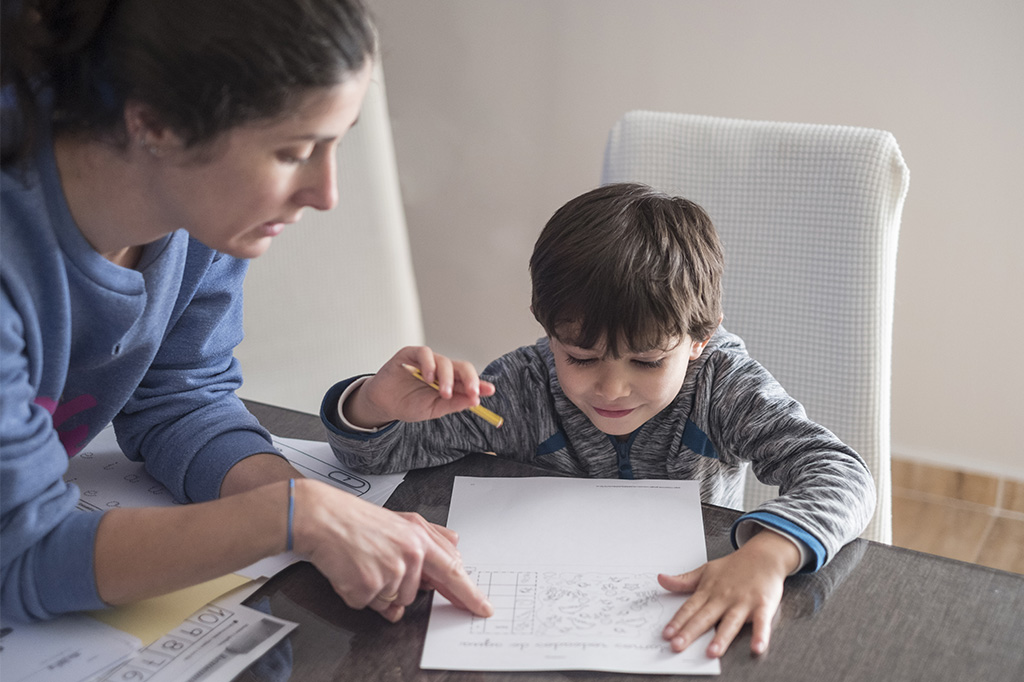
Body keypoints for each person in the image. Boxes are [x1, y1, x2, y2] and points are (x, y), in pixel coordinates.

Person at [0, 0, 492, 624]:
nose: (326, 195)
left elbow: (179, 395)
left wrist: (309, 504)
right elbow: (17, 555)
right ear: (155, 125)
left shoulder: (199, 215)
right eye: (293, 153)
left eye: (336, 144)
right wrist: (292, 517)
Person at [322, 182, 876, 658]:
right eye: (580, 359)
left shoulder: (722, 385)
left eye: (649, 362)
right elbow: (372, 456)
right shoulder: (520, 388)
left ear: (699, 340)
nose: (612, 388)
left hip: (686, 603)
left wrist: (768, 554)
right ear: (548, 332)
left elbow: (842, 473)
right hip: (536, 614)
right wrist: (374, 405)